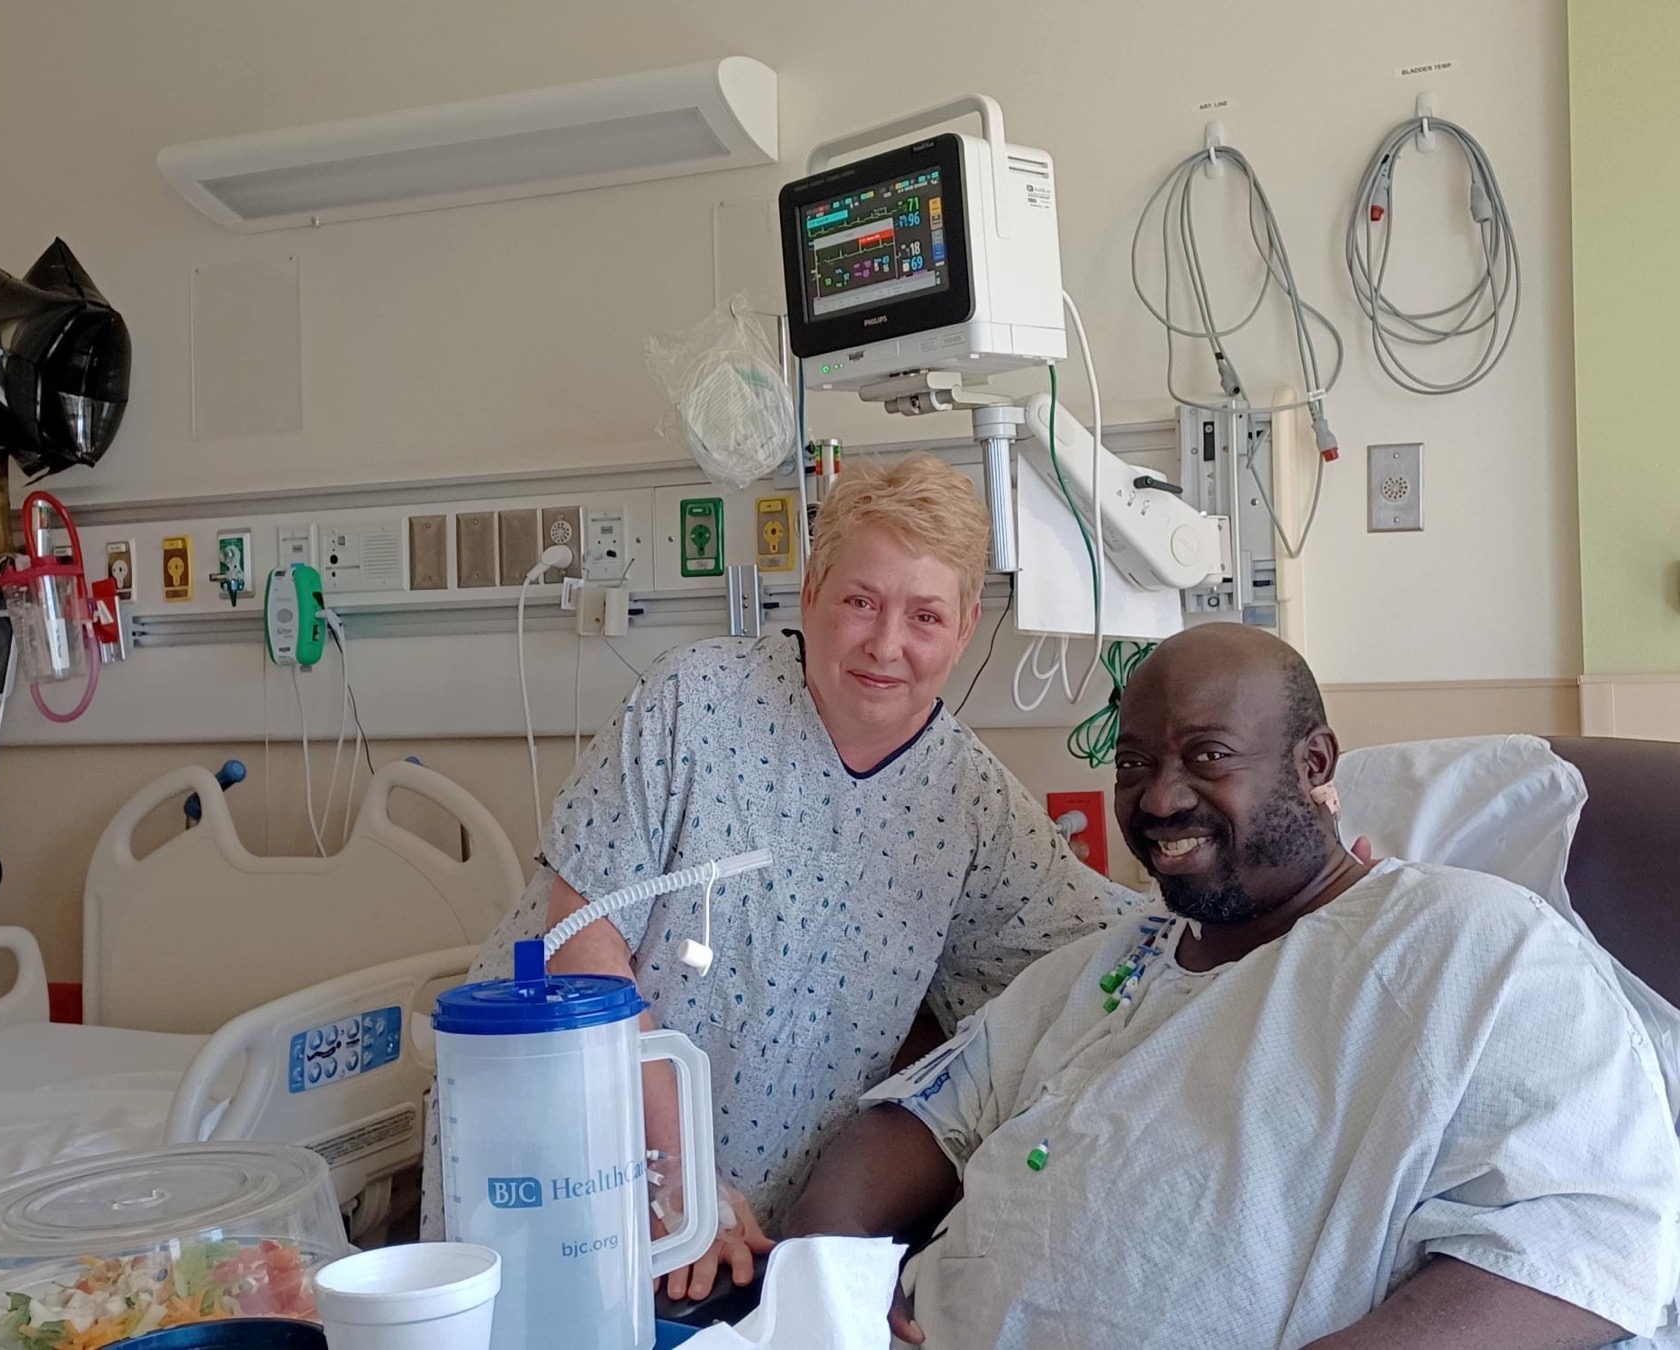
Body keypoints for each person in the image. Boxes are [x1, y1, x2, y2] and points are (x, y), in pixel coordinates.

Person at [786, 623, 1680, 1349]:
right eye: (1133, 764)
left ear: (1316, 766)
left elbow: (1591, 1238)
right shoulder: (1111, 959)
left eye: (1207, 756)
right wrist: (821, 1297)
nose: (1159, 798)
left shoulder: (1465, 942)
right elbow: (917, 1116)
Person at [424, 455, 1140, 1299]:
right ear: (810, 592)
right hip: (559, 1151)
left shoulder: (973, 808)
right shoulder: (695, 705)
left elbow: (1115, 954)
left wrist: (1310, 899)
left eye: (925, 615)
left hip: (752, 1230)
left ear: (966, 627)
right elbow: (584, 939)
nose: (886, 644)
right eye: (860, 602)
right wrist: (671, 1175)